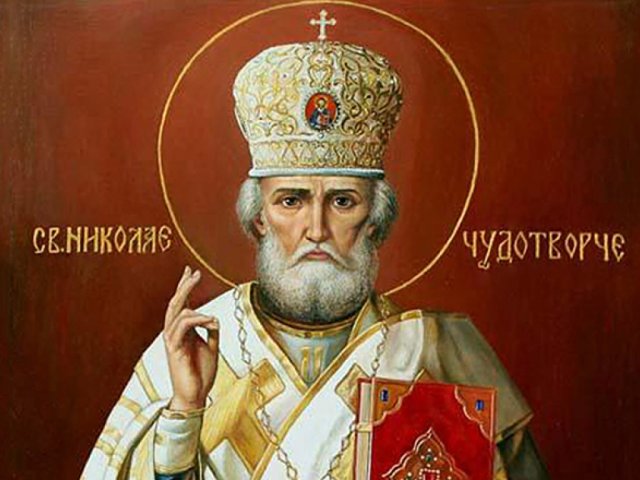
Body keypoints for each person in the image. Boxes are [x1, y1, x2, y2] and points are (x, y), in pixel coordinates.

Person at [82, 23, 549, 480]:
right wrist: (185, 412)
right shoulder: (190, 349)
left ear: (374, 220)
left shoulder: (437, 354)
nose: (317, 229)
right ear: (260, 218)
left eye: (342, 202)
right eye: (292, 201)